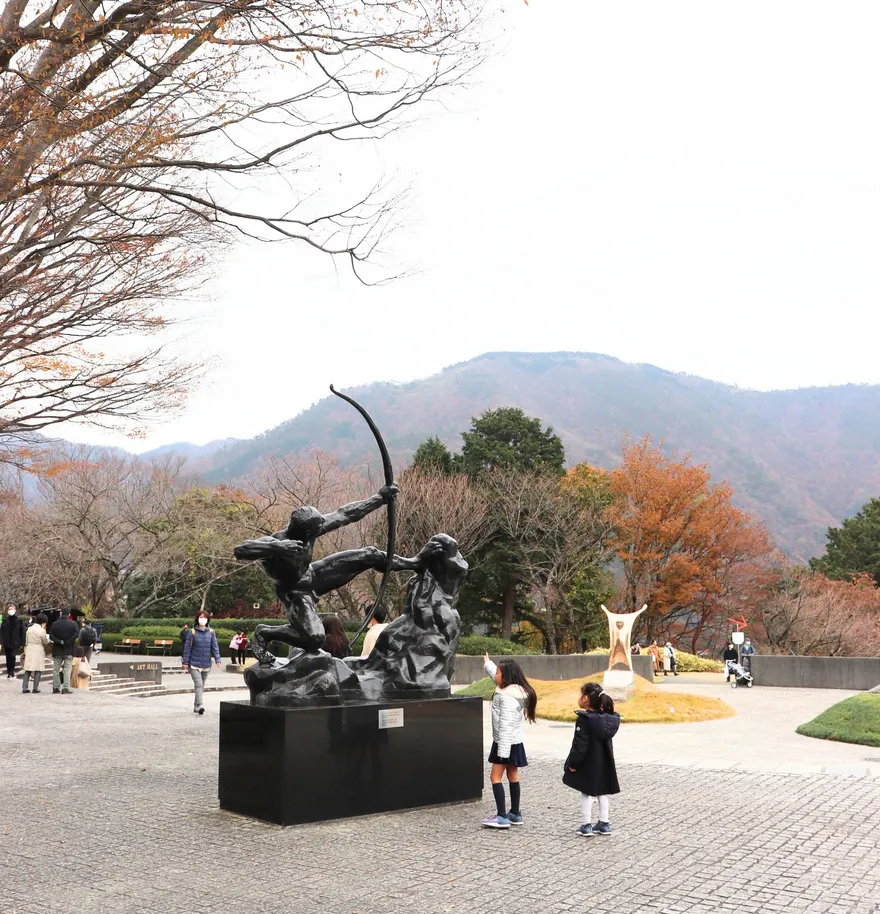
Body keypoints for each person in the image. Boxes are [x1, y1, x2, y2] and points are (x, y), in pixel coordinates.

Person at [480, 654, 538, 829]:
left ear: (505, 677)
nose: (495, 675)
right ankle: (515, 813)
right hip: (515, 741)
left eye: (498, 672)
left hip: (505, 743)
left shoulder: (506, 698)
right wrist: (488, 664)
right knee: (512, 775)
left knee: (495, 777)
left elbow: (504, 726)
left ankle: (501, 817)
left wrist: (502, 753)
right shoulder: (515, 690)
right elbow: (495, 678)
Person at [563, 684, 621, 837]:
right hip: (604, 762)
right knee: (602, 792)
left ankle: (586, 824)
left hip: (588, 762)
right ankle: (604, 822)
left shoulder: (585, 720)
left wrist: (573, 763)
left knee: (586, 792)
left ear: (585, 698)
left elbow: (579, 745)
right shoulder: (608, 719)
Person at [182, 612, 222, 714]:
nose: (202, 619)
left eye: (204, 617)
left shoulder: (211, 632)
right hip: (194, 663)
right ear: (197, 619)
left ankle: (196, 706)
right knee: (199, 684)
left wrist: (218, 659)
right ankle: (200, 705)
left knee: (201, 685)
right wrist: (185, 662)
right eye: (201, 617)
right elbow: (187, 648)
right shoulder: (192, 632)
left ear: (208, 619)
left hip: (206, 664)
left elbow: (215, 646)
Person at [49, 613, 79, 694]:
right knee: (67, 669)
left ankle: (56, 687)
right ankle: (65, 688)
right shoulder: (73, 623)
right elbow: (76, 634)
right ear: (69, 614)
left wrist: (59, 641)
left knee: (56, 669)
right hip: (69, 649)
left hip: (58, 650)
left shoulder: (55, 624)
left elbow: (51, 636)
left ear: (61, 613)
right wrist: (68, 642)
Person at [21, 613, 50, 693]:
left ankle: (24, 687)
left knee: (28, 669)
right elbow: (45, 641)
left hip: (29, 648)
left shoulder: (29, 629)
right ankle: (35, 688)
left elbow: (26, 640)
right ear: (43, 622)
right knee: (38, 669)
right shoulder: (42, 631)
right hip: (38, 649)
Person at [1, 602, 25, 678]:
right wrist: (1, 642)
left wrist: (22, 642)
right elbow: (1, 632)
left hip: (15, 642)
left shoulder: (19, 620)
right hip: (7, 642)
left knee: (12, 656)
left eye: (12, 609)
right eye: (9, 609)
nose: (10, 610)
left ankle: (12, 671)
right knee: (8, 657)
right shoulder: (5, 620)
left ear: (15, 610)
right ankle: (9, 671)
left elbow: (22, 632)